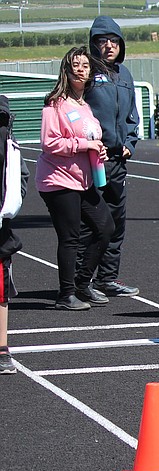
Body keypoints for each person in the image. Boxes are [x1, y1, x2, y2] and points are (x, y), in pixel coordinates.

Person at [35, 47, 114, 312]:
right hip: (58, 180)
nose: (80, 69)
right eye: (75, 65)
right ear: (66, 71)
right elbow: (49, 143)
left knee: (105, 227)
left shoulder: (86, 106)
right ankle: (65, 295)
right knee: (70, 237)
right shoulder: (54, 104)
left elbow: (89, 139)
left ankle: (82, 282)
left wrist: (98, 148)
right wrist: (84, 145)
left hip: (84, 180)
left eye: (85, 65)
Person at [78, 15, 139, 299]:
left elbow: (131, 116)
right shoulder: (86, 72)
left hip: (118, 161)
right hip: (92, 160)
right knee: (91, 221)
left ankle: (107, 278)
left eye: (114, 41)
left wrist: (130, 142)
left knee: (116, 221)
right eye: (103, 41)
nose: (109, 45)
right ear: (94, 44)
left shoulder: (125, 75)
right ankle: (81, 280)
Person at [0, 95, 28, 374]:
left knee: (0, 289)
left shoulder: (6, 132)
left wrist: (10, 206)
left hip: (0, 225)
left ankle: (1, 347)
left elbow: (19, 174)